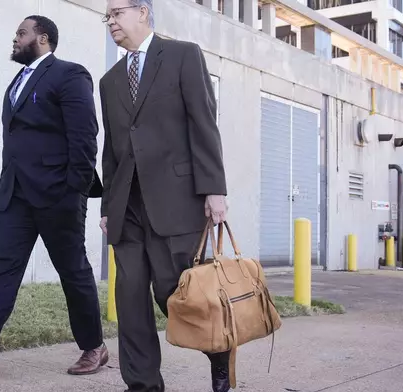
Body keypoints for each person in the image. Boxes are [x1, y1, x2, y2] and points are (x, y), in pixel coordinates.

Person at [0, 15, 108, 380]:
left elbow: (85, 135)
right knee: (3, 270)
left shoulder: (70, 74)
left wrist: (73, 190)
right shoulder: (18, 80)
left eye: (22, 33)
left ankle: (95, 347)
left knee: (72, 272)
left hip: (57, 195)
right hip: (15, 196)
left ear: (42, 38)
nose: (15, 39)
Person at [98, 1, 230, 391]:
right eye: (107, 16)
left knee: (176, 295)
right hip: (128, 207)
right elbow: (112, 149)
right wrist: (108, 205)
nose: (111, 22)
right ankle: (142, 385)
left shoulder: (182, 56)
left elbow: (203, 123)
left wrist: (215, 189)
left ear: (142, 12)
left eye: (117, 13)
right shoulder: (109, 81)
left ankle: (219, 350)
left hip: (176, 200)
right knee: (131, 301)